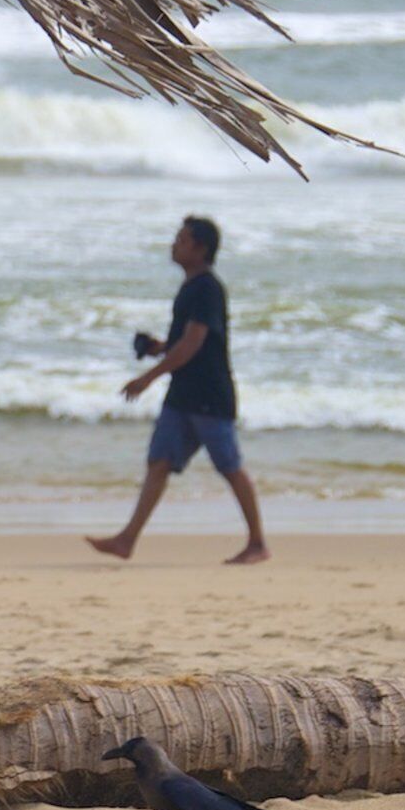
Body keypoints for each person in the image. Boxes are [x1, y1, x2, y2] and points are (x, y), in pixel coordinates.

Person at [87, 215, 267, 565]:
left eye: (182, 240)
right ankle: (126, 540)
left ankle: (258, 543)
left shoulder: (207, 289)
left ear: (200, 249)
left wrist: (148, 378)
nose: (174, 244)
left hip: (208, 397)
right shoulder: (191, 288)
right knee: (159, 462)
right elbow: (183, 342)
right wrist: (157, 347)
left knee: (230, 467)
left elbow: (195, 343)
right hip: (184, 394)